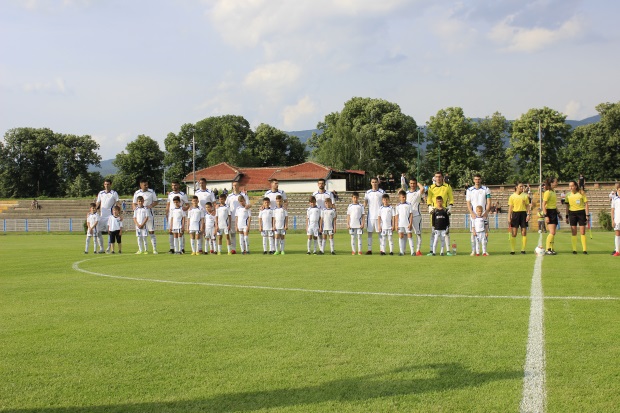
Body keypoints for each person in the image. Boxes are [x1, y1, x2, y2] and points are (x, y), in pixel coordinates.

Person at [427, 172, 454, 255]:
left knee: (446, 232)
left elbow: (451, 198)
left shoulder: (447, 186)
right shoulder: (431, 187)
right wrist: (429, 206)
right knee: (433, 232)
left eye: (439, 177)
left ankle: (448, 251)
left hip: (444, 212)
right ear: (434, 178)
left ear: (442, 177)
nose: (438, 178)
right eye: (436, 177)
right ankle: (431, 251)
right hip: (434, 212)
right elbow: (429, 198)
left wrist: (450, 206)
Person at [466, 174, 491, 256]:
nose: (477, 181)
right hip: (474, 215)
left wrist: (486, 212)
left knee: (485, 233)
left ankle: (484, 250)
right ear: (473, 180)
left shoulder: (486, 189)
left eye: (478, 179)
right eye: (476, 179)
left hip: (483, 215)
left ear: (481, 180)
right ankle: (473, 250)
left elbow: (489, 201)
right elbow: (468, 202)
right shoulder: (469, 190)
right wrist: (471, 212)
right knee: (473, 233)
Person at [132, 179, 159, 254]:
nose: (146, 186)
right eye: (145, 185)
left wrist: (150, 206)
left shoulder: (151, 192)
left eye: (147, 184)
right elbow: (134, 203)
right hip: (140, 216)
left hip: (148, 214)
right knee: (140, 233)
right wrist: (135, 209)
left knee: (151, 231)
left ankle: (154, 249)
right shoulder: (137, 192)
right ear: (141, 185)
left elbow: (156, 201)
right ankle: (141, 249)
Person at [565, 180, 589, 254]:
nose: (570, 187)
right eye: (569, 186)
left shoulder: (581, 193)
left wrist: (587, 214)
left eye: (572, 186)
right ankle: (574, 249)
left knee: (582, 231)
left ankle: (584, 250)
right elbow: (567, 206)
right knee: (574, 232)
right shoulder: (567, 195)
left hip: (581, 212)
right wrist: (566, 216)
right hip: (572, 213)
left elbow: (586, 203)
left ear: (575, 186)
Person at [96, 178, 120, 253]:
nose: (106, 185)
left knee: (110, 232)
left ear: (110, 184)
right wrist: (93, 211)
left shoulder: (114, 193)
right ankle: (101, 248)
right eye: (105, 184)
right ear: (104, 185)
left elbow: (118, 203)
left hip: (110, 216)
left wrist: (119, 214)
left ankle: (109, 248)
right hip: (102, 216)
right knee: (98, 232)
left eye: (108, 184)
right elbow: (98, 203)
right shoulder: (101, 193)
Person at [166, 181, 189, 254]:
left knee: (181, 232)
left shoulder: (182, 194)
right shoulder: (170, 194)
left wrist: (184, 209)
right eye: (172, 185)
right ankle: (172, 248)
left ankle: (182, 248)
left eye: (175, 185)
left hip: (179, 215)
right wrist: (167, 213)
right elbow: (168, 204)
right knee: (171, 232)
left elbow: (187, 205)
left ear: (178, 185)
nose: (174, 187)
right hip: (172, 215)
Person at [227, 181, 250, 254]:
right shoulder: (229, 196)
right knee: (233, 234)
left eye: (236, 185)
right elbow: (226, 206)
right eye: (233, 185)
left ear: (239, 186)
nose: (235, 186)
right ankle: (233, 249)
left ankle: (244, 249)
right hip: (233, 217)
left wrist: (248, 206)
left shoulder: (244, 195)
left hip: (242, 218)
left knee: (243, 234)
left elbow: (249, 204)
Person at [313, 178, 335, 253]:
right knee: (319, 233)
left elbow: (333, 204)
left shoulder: (329, 194)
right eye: (319, 183)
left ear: (325, 184)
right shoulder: (315, 194)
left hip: (327, 215)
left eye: (322, 183)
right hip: (318, 215)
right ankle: (321, 249)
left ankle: (330, 249)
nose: (321, 185)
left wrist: (334, 213)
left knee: (328, 233)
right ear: (317, 184)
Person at [363, 177, 385, 254]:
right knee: (369, 233)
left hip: (379, 216)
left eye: (375, 182)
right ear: (371, 183)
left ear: (378, 182)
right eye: (373, 182)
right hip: (370, 216)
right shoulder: (367, 192)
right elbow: (365, 202)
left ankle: (382, 250)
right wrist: (362, 209)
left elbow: (385, 202)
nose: (374, 183)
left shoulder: (382, 192)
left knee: (380, 233)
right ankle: (369, 250)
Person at [508, 183, 531, 255]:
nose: (522, 187)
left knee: (524, 232)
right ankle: (512, 250)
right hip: (515, 214)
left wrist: (528, 214)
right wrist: (509, 217)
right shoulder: (512, 196)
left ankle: (523, 250)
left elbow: (527, 206)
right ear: (516, 187)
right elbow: (510, 208)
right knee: (514, 233)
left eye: (522, 186)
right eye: (520, 186)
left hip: (523, 214)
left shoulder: (525, 196)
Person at [195, 178, 216, 254]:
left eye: (203, 183)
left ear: (206, 183)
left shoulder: (210, 192)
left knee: (210, 232)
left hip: (209, 214)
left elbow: (214, 202)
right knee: (200, 231)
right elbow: (195, 202)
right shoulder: (197, 192)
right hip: (200, 214)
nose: (201, 184)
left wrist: (214, 211)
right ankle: (200, 248)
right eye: (200, 183)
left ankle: (212, 249)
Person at [406, 178, 425, 256]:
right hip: (407, 216)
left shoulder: (418, 193)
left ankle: (418, 250)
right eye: (411, 183)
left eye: (414, 183)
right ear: (409, 184)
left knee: (418, 233)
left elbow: (422, 189)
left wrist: (418, 183)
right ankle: (407, 250)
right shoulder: (406, 193)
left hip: (416, 215)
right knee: (407, 233)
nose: (412, 185)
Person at [542, 178, 559, 255]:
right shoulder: (547, 192)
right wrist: (546, 215)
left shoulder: (553, 191)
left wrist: (558, 213)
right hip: (549, 212)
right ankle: (547, 249)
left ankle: (552, 248)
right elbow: (543, 205)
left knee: (553, 232)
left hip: (553, 211)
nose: (557, 183)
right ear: (551, 183)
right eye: (556, 182)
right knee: (552, 232)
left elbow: (554, 204)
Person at [395, 190, 414, 256]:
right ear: (399, 197)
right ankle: (401, 252)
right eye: (403, 197)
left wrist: (410, 223)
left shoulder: (409, 204)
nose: (404, 198)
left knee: (409, 236)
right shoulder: (397, 206)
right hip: (400, 224)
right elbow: (397, 216)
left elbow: (411, 214)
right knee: (401, 236)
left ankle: (412, 252)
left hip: (407, 223)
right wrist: (396, 225)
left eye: (405, 197)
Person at [611, 184, 620, 256]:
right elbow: (612, 210)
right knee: (617, 234)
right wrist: (612, 220)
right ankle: (617, 251)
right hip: (617, 219)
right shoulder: (614, 198)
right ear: (617, 190)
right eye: (619, 190)